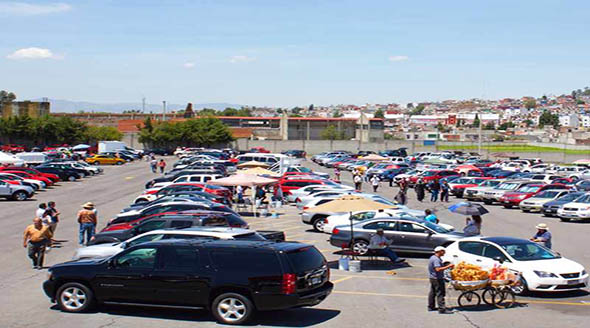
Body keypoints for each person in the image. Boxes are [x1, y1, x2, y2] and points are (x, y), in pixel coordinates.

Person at [428, 246, 454, 314]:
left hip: (432, 278)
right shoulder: (436, 259)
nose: (444, 253)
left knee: (433, 293)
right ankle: (442, 309)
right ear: (440, 251)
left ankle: (431, 306)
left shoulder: (432, 257)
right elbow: (437, 269)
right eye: (443, 251)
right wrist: (448, 266)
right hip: (437, 278)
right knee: (440, 293)